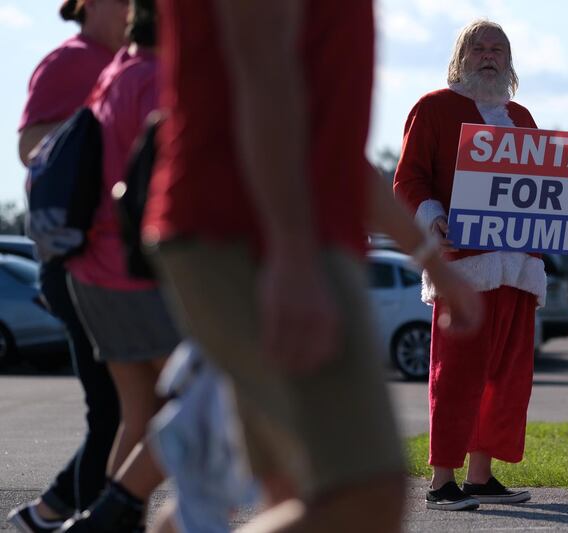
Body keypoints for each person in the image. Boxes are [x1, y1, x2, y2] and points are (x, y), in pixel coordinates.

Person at [140, 1, 481, 531]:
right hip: (250, 234)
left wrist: (430, 258)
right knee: (365, 496)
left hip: (265, 235)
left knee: (296, 491)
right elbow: (263, 72)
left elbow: (335, 146)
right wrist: (292, 253)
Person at [393, 19, 568, 511]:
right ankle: (441, 481)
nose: (489, 56)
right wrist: (434, 217)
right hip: (463, 267)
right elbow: (408, 181)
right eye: (479, 48)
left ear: (509, 61)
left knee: (504, 376)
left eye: (498, 49)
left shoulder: (521, 116)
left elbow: (537, 192)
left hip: (518, 269)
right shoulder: (433, 109)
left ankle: (481, 477)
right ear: (461, 57)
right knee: (457, 374)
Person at [56, 2, 181, 532]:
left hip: (92, 267)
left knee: (138, 414)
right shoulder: (157, 80)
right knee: (201, 406)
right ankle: (108, 521)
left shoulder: (116, 73)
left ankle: (107, 522)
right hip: (133, 269)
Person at [7, 1, 127, 531]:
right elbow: (31, 147)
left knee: (125, 409)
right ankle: (86, 517)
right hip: (78, 259)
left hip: (120, 260)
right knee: (114, 410)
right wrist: (96, 132)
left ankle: (56, 509)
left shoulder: (130, 59)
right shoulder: (70, 61)